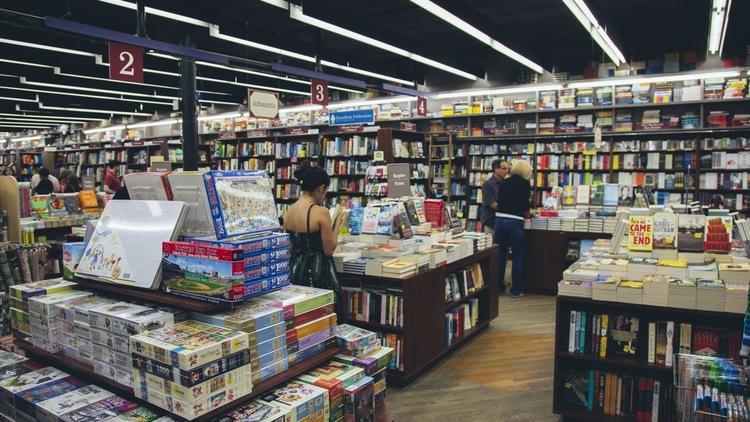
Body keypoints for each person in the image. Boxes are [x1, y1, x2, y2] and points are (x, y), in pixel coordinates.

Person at [283, 160, 346, 320]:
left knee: (302, 319)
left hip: (295, 269)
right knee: (324, 317)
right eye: (325, 191)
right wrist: (337, 223)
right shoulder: (320, 212)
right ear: (321, 188)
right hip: (318, 272)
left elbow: (291, 246)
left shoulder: (289, 211)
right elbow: (329, 249)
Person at [494, 159, 532, 298]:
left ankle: (498, 288)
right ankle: (516, 290)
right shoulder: (525, 184)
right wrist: (527, 211)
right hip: (515, 220)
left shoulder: (504, 182)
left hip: (499, 220)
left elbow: (500, 201)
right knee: (517, 255)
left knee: (501, 255)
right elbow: (524, 204)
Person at [481, 159, 509, 235]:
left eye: (507, 169)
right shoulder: (487, 185)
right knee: (491, 246)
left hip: (503, 223)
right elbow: (493, 204)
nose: (507, 171)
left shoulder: (506, 184)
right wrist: (511, 208)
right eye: (504, 169)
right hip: (491, 224)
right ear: (496, 169)